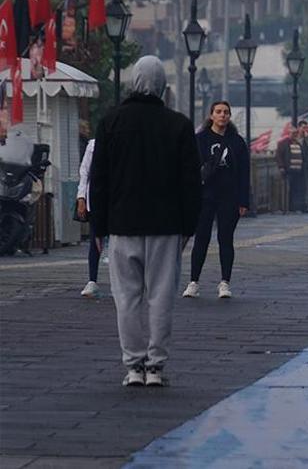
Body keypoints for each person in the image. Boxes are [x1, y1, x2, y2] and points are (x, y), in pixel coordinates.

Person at [89, 56, 201, 387]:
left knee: (126, 297)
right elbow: (190, 182)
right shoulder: (178, 125)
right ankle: (155, 366)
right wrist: (188, 226)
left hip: (123, 224)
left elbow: (99, 179)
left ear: (134, 81)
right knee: (161, 296)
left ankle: (133, 366)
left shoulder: (112, 122)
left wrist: (99, 226)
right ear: (163, 85)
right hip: (166, 226)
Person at [183, 101, 250, 300]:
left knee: (225, 239)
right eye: (218, 112)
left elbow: (244, 173)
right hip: (205, 196)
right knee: (201, 238)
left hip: (229, 197)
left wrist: (244, 201)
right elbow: (190, 170)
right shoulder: (200, 139)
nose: (222, 115)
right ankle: (193, 282)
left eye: (226, 112)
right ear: (211, 115)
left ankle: (224, 282)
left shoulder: (237, 142)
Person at [77, 138, 102, 298]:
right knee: (95, 241)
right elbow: (84, 171)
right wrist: (81, 197)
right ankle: (92, 280)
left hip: (119, 201)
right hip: (96, 199)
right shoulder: (93, 144)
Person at [275, 127, 305, 213]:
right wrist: (281, 167)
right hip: (288, 170)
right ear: (289, 134)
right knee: (287, 189)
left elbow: (303, 156)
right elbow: (278, 156)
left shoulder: (299, 144)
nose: (295, 135)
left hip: (298, 171)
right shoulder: (283, 143)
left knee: (296, 189)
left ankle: (293, 207)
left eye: (296, 133)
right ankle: (285, 207)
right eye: (293, 133)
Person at [297, 120, 308, 214]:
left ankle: (304, 205)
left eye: (306, 128)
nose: (305, 130)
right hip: (295, 165)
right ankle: (296, 204)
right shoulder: (295, 138)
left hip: (306, 165)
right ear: (299, 128)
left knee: (305, 186)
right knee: (297, 185)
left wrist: (307, 137)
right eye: (303, 128)